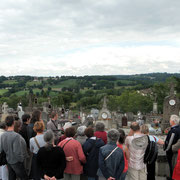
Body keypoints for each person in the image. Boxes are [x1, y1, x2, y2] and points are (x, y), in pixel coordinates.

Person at [0, 116, 28, 180]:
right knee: (24, 177)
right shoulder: (16, 136)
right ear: (13, 123)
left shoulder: (3, 135)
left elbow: (1, 149)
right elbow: (17, 151)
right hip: (16, 161)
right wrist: (21, 160)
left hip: (8, 160)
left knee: (11, 177)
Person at [164, 115, 180, 179]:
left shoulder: (173, 131)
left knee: (172, 167)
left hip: (172, 152)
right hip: (178, 151)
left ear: (173, 121)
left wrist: (167, 149)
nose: (169, 121)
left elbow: (170, 142)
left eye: (170, 120)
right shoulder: (178, 128)